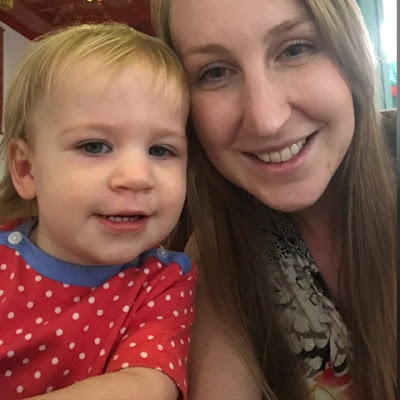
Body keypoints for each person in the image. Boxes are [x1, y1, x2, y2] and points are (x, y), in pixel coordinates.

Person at [151, 0, 396, 399]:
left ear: (352, 50)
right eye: (215, 72)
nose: (266, 119)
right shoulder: (217, 257)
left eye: (295, 49)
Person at [0, 23, 196, 400]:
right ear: (26, 170)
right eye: (94, 146)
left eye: (161, 150)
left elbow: (147, 385)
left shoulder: (164, 281)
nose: (136, 177)